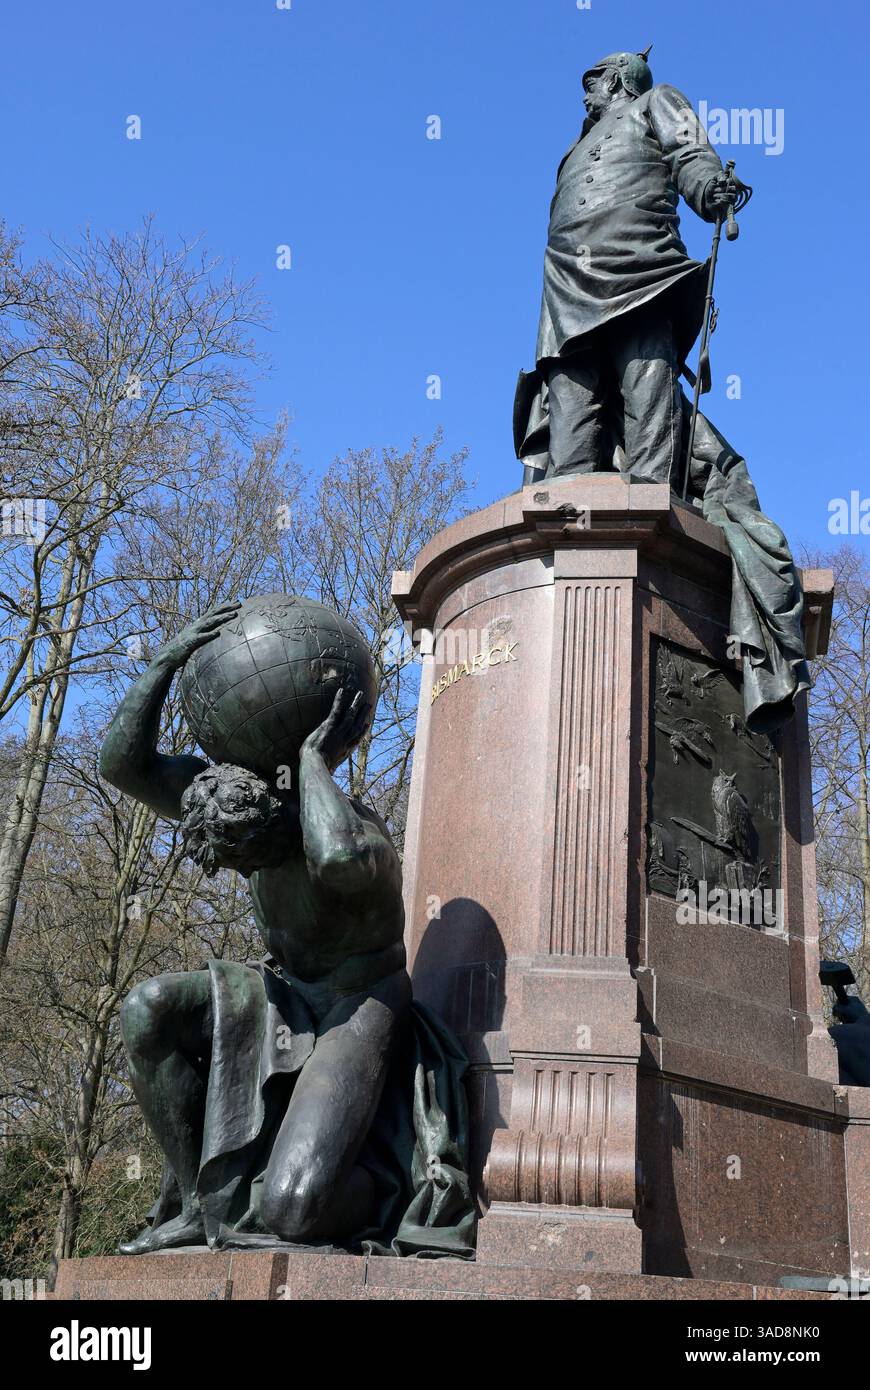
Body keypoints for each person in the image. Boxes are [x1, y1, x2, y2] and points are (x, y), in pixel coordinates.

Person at [99, 604, 473, 1255]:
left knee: (295, 1211)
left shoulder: (353, 837)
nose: (252, 866)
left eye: (261, 850)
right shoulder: (230, 803)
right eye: (239, 861)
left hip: (360, 1004)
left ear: (281, 816)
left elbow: (336, 858)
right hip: (284, 992)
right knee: (147, 1009)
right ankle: (198, 1205)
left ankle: (390, 1190)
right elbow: (122, 767)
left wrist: (310, 759)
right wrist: (167, 658)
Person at [516, 47, 745, 484]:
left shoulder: (655, 100)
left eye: (592, 84)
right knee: (570, 389)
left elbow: (689, 152)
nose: (585, 99)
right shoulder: (574, 146)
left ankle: (648, 499)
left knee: (646, 377)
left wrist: (709, 186)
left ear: (618, 80)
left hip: (640, 264)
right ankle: (569, 496)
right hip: (566, 280)